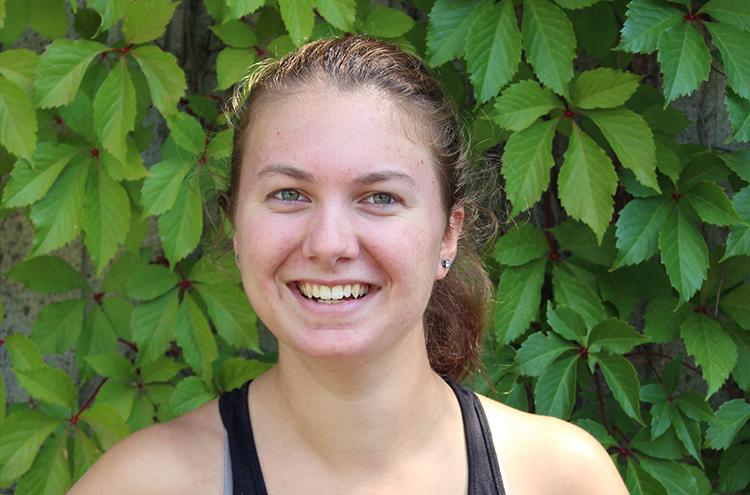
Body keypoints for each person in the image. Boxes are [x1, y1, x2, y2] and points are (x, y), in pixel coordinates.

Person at [70, 35, 627, 495]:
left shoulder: (560, 478)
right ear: (236, 227)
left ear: (448, 234)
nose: (329, 243)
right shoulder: (142, 484)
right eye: (289, 193)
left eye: (380, 197)